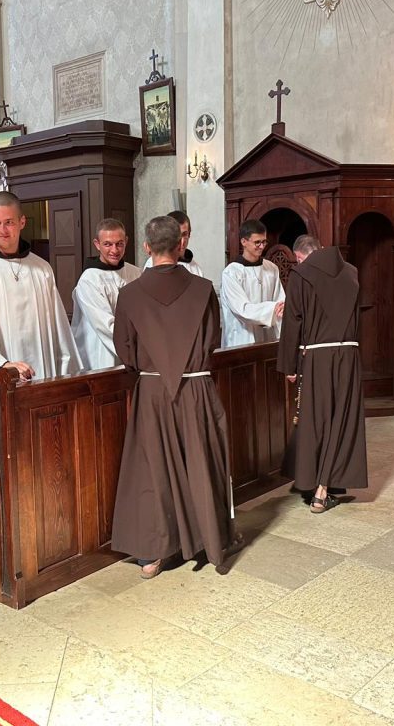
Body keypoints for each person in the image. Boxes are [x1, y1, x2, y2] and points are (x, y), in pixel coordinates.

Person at [111, 215, 242, 578]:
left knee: (151, 468)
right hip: (196, 388)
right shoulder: (204, 289)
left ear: (146, 247)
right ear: (181, 245)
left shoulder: (129, 294)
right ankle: (208, 540)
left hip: (153, 391)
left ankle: (153, 554)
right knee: (201, 462)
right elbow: (214, 339)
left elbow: (124, 348)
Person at [0, 191, 80, 522]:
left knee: (35, 461)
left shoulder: (40, 269)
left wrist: (66, 370)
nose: (3, 230)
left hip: (36, 384)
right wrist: (0, 365)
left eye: (9, 222)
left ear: (22, 222)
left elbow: (57, 327)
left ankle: (35, 529)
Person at [278, 235, 367, 513]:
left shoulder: (301, 274)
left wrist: (289, 366)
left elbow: (293, 320)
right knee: (341, 419)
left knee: (316, 421)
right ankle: (330, 483)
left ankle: (319, 489)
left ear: (302, 255)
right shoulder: (351, 273)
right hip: (349, 354)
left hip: (316, 357)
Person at [71, 218, 142, 370]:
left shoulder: (135, 273)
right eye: (108, 244)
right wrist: (138, 348)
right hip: (100, 353)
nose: (114, 250)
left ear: (126, 242)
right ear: (97, 244)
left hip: (133, 348)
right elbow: (105, 325)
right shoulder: (89, 280)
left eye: (119, 244)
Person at [220, 219, 285, 348]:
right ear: (244, 241)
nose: (262, 246)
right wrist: (273, 309)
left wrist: (281, 309)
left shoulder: (271, 268)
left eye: (264, 242)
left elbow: (280, 301)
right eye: (257, 242)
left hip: (268, 337)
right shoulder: (231, 273)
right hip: (242, 337)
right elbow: (242, 309)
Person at [142, 210, 204, 276]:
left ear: (189, 234)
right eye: (177, 235)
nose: (182, 240)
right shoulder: (153, 263)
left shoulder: (196, 269)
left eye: (184, 234)